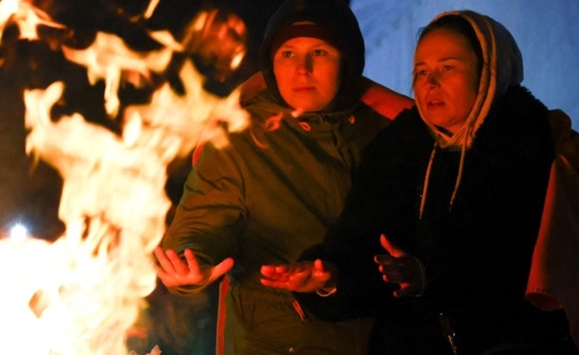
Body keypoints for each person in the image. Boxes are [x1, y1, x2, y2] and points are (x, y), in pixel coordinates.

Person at [260, 10, 578, 354]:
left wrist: (429, 277)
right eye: (421, 71)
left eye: (448, 67)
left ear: (490, 72)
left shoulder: (536, 150)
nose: (430, 83)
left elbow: (527, 272)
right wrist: (330, 280)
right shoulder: (398, 154)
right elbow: (362, 250)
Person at [154, 0, 413, 353]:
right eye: (288, 53)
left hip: (379, 338)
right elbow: (201, 224)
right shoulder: (241, 136)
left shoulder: (394, 131)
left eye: (319, 52)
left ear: (347, 61)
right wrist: (191, 262)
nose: (302, 69)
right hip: (274, 340)